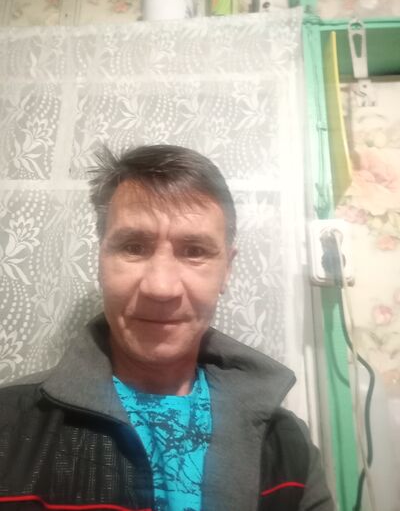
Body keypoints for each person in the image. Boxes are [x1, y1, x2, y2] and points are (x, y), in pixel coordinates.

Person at [0, 145, 334, 511]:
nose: (161, 288)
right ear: (100, 259)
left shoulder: (287, 446)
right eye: (133, 247)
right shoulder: (8, 423)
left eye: (194, 251)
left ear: (227, 269)